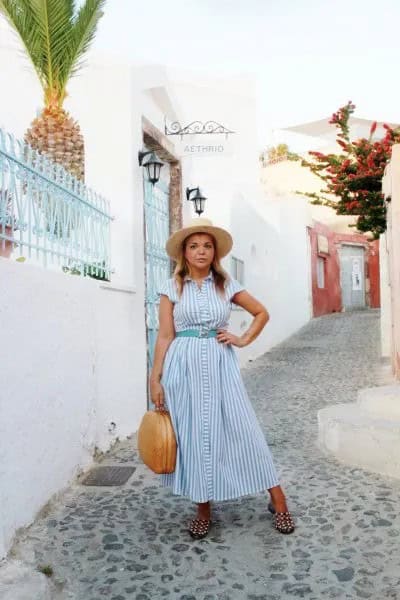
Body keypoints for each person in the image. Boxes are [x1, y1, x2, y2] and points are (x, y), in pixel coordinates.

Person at [149, 218, 295, 539]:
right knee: (192, 435)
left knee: (243, 427)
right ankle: (203, 508)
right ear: (184, 253)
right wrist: (155, 378)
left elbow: (261, 313)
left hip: (219, 365)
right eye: (194, 246)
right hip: (182, 368)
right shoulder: (169, 287)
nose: (201, 251)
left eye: (207, 246)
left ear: (214, 252)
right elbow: (164, 335)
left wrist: (242, 340)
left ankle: (279, 500)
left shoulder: (226, 285)